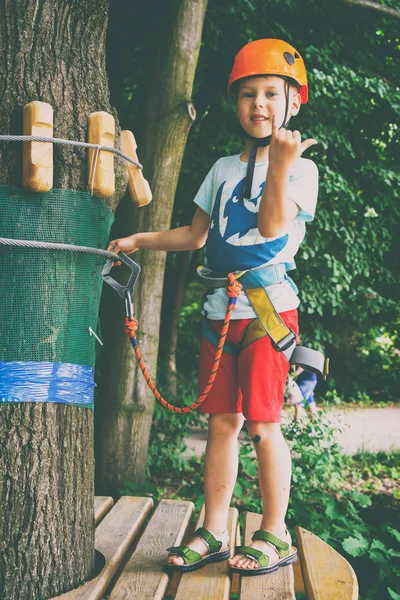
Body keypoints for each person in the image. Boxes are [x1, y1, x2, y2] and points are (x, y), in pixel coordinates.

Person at [107, 38, 319, 576]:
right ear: (237, 102)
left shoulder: (300, 169)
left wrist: (280, 163)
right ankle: (215, 528)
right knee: (222, 424)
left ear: (294, 101)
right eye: (248, 94)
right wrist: (141, 239)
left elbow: (272, 227)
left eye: (272, 93)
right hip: (219, 309)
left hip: (268, 311)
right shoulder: (222, 168)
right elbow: (197, 235)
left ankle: (273, 533)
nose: (259, 104)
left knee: (263, 425)